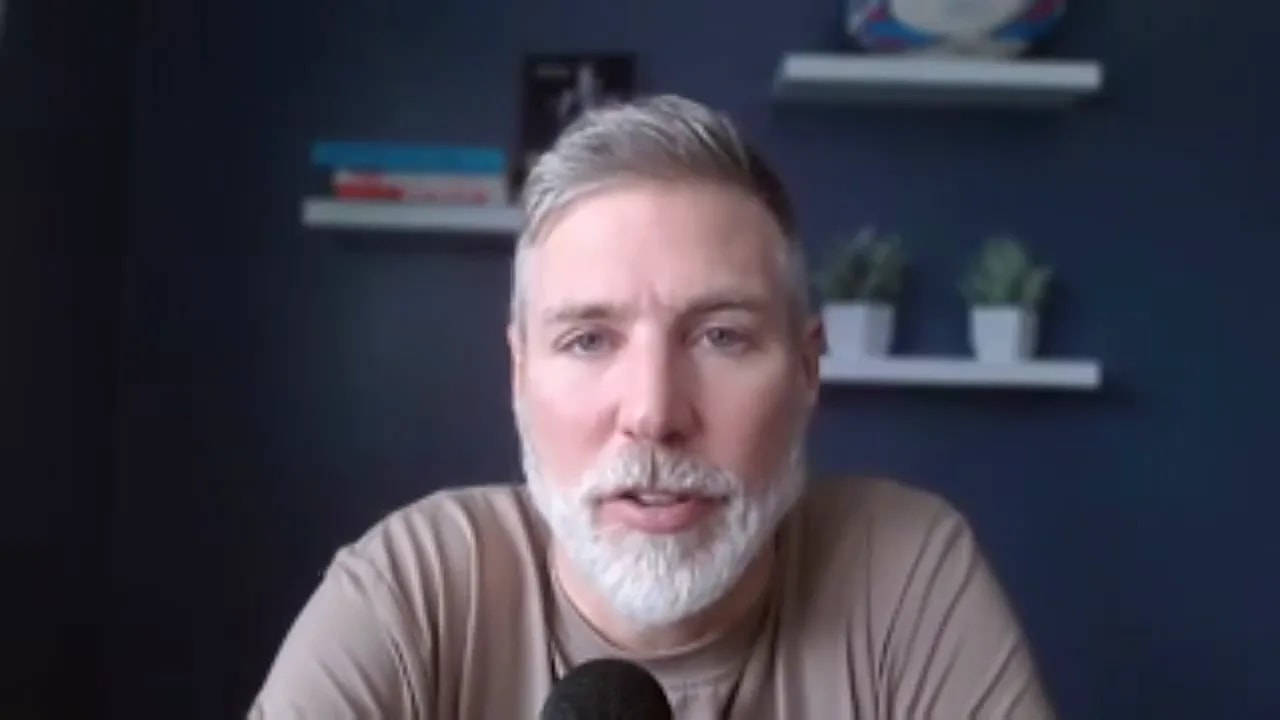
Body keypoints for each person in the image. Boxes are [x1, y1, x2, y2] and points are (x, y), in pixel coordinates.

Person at [248, 95, 1055, 719]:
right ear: (519, 374)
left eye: (720, 337)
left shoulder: (906, 573)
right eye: (590, 341)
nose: (654, 412)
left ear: (809, 369)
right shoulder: (411, 591)